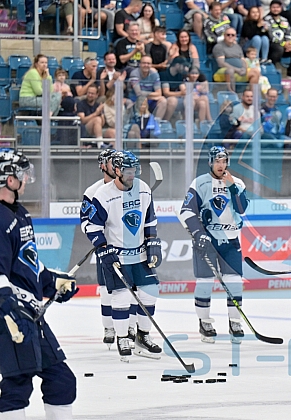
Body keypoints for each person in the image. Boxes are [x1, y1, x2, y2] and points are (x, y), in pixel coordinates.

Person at [0, 148, 78, 420]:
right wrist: (5, 305)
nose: (28, 178)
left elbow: (29, 265)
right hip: (9, 312)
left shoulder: (20, 214)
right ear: (9, 180)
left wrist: (54, 283)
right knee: (17, 382)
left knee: (61, 380)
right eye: (22, 173)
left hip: (29, 312)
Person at [85, 150, 163, 361]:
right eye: (128, 170)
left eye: (135, 170)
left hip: (139, 255)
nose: (132, 175)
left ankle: (142, 336)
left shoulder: (144, 189)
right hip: (118, 256)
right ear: (117, 170)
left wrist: (152, 242)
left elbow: (149, 220)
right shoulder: (102, 194)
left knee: (149, 293)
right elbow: (91, 226)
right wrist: (103, 247)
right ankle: (122, 338)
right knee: (121, 297)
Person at [178, 146, 249, 344]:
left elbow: (242, 209)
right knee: (205, 282)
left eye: (224, 161)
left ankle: (235, 322)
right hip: (207, 241)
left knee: (234, 282)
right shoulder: (200, 183)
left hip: (231, 240)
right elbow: (186, 211)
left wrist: (233, 186)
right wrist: (199, 233)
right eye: (217, 161)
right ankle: (205, 322)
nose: (221, 165)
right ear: (210, 162)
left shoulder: (237, 183)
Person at [80, 149, 127, 347]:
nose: (116, 165)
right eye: (111, 162)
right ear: (103, 166)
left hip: (127, 248)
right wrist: (99, 239)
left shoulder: (128, 187)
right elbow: (85, 221)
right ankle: (108, 327)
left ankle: (128, 329)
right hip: (106, 249)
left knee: (129, 290)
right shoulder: (93, 192)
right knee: (108, 290)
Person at [264, 0, 291, 80]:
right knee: (279, 49)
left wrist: (289, 43)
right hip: (273, 45)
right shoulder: (266, 20)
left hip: (285, 45)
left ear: (281, 8)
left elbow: (289, 33)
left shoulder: (284, 20)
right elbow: (271, 35)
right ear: (270, 8)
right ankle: (271, 70)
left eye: (277, 7)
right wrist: (283, 44)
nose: (275, 9)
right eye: (273, 7)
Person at [128, 55, 168, 121]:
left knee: (163, 100)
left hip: (149, 99)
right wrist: (153, 95)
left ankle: (156, 124)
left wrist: (147, 95)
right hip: (136, 100)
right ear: (140, 64)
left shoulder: (154, 74)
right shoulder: (134, 73)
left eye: (148, 63)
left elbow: (159, 93)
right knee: (142, 100)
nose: (146, 65)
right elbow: (138, 93)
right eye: (144, 63)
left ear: (151, 65)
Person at [77, 85, 111, 149]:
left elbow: (102, 123)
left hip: (98, 130)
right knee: (97, 119)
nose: (89, 95)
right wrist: (96, 113)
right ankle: (100, 144)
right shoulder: (81, 104)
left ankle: (115, 154)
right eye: (88, 93)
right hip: (85, 129)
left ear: (97, 95)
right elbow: (83, 120)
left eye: (92, 93)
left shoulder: (97, 105)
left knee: (112, 132)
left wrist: (101, 112)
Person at [160, 56, 190, 123]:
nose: (184, 68)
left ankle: (186, 124)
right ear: (177, 65)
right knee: (173, 101)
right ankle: (164, 122)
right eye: (183, 66)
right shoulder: (164, 74)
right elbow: (166, 93)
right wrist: (180, 93)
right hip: (163, 100)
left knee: (187, 100)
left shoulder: (179, 75)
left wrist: (184, 92)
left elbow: (183, 89)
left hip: (176, 98)